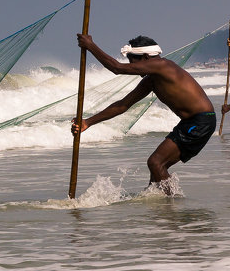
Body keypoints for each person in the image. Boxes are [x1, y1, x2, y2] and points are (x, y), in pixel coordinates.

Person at [73, 33, 216, 192]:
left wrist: (90, 46)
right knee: (157, 171)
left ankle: (172, 206)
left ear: (146, 57)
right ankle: (158, 207)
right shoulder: (151, 80)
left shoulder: (162, 65)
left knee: (155, 162)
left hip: (200, 121)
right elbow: (123, 105)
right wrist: (88, 122)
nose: (132, 66)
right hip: (190, 123)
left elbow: (117, 68)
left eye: (133, 61)